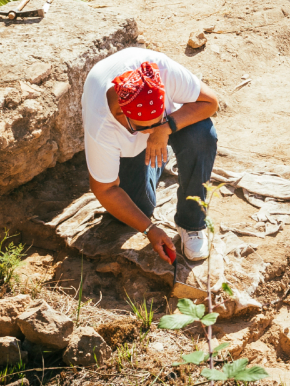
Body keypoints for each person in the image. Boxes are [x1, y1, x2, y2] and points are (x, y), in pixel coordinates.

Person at [82, 47, 222, 263]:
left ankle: (191, 222)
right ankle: (158, 157)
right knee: (138, 210)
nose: (150, 132)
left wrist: (163, 129)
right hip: (124, 147)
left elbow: (211, 102)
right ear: (121, 113)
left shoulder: (162, 71)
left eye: (156, 121)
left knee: (201, 135)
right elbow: (105, 189)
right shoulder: (102, 127)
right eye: (143, 128)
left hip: (171, 127)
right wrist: (149, 230)